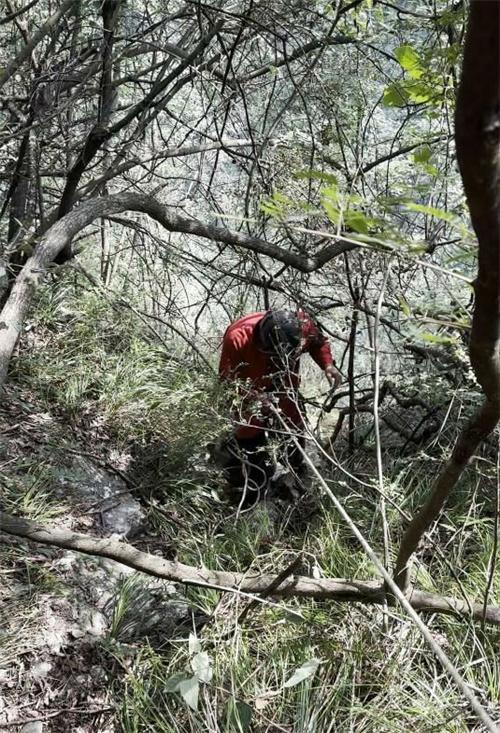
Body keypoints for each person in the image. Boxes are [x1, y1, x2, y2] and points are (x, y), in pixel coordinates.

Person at [218, 309, 341, 503]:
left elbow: (318, 342)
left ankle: (294, 473)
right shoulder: (237, 338)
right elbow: (227, 380)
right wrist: (253, 397)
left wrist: (327, 364)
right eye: (273, 355)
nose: (277, 361)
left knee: (293, 429)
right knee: (249, 433)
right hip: (250, 395)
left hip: (285, 390)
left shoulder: (302, 326)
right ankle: (253, 483)